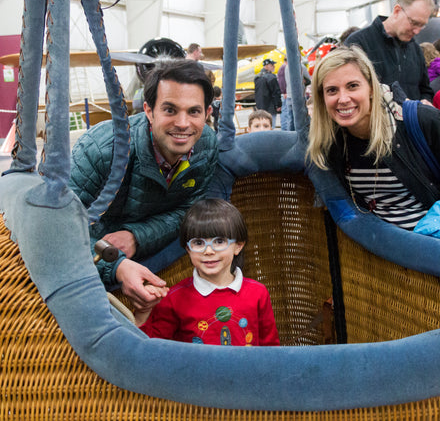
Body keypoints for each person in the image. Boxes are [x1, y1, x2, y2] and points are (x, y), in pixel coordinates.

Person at [69, 59, 218, 312]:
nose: (183, 123)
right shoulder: (100, 149)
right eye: (170, 110)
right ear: (149, 111)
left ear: (207, 113)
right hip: (90, 264)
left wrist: (136, 237)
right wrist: (116, 265)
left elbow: (191, 209)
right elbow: (59, 227)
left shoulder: (206, 146)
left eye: (194, 112)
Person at [306, 46, 440, 229]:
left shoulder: (422, 120)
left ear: (371, 88)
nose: (343, 99)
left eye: (353, 86)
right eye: (332, 90)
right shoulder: (330, 140)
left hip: (433, 241)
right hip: (371, 243)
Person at [136, 199, 280, 346]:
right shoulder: (174, 298)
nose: (209, 251)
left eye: (219, 241)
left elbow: (271, 349)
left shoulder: (258, 293)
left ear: (238, 246)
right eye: (199, 243)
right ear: (188, 249)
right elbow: (150, 349)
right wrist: (143, 311)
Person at [344, 0, 435, 103]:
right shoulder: (358, 43)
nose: (417, 31)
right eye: (414, 22)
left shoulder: (415, 49)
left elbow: (425, 89)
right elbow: (348, 89)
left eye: (421, 25)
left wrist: (425, 100)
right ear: (397, 11)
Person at [254, 58, 282, 127]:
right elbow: (276, 92)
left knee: (262, 126)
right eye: (272, 65)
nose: (274, 66)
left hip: (260, 106)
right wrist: (278, 105)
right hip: (270, 106)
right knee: (271, 125)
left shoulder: (257, 77)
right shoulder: (271, 77)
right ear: (266, 66)